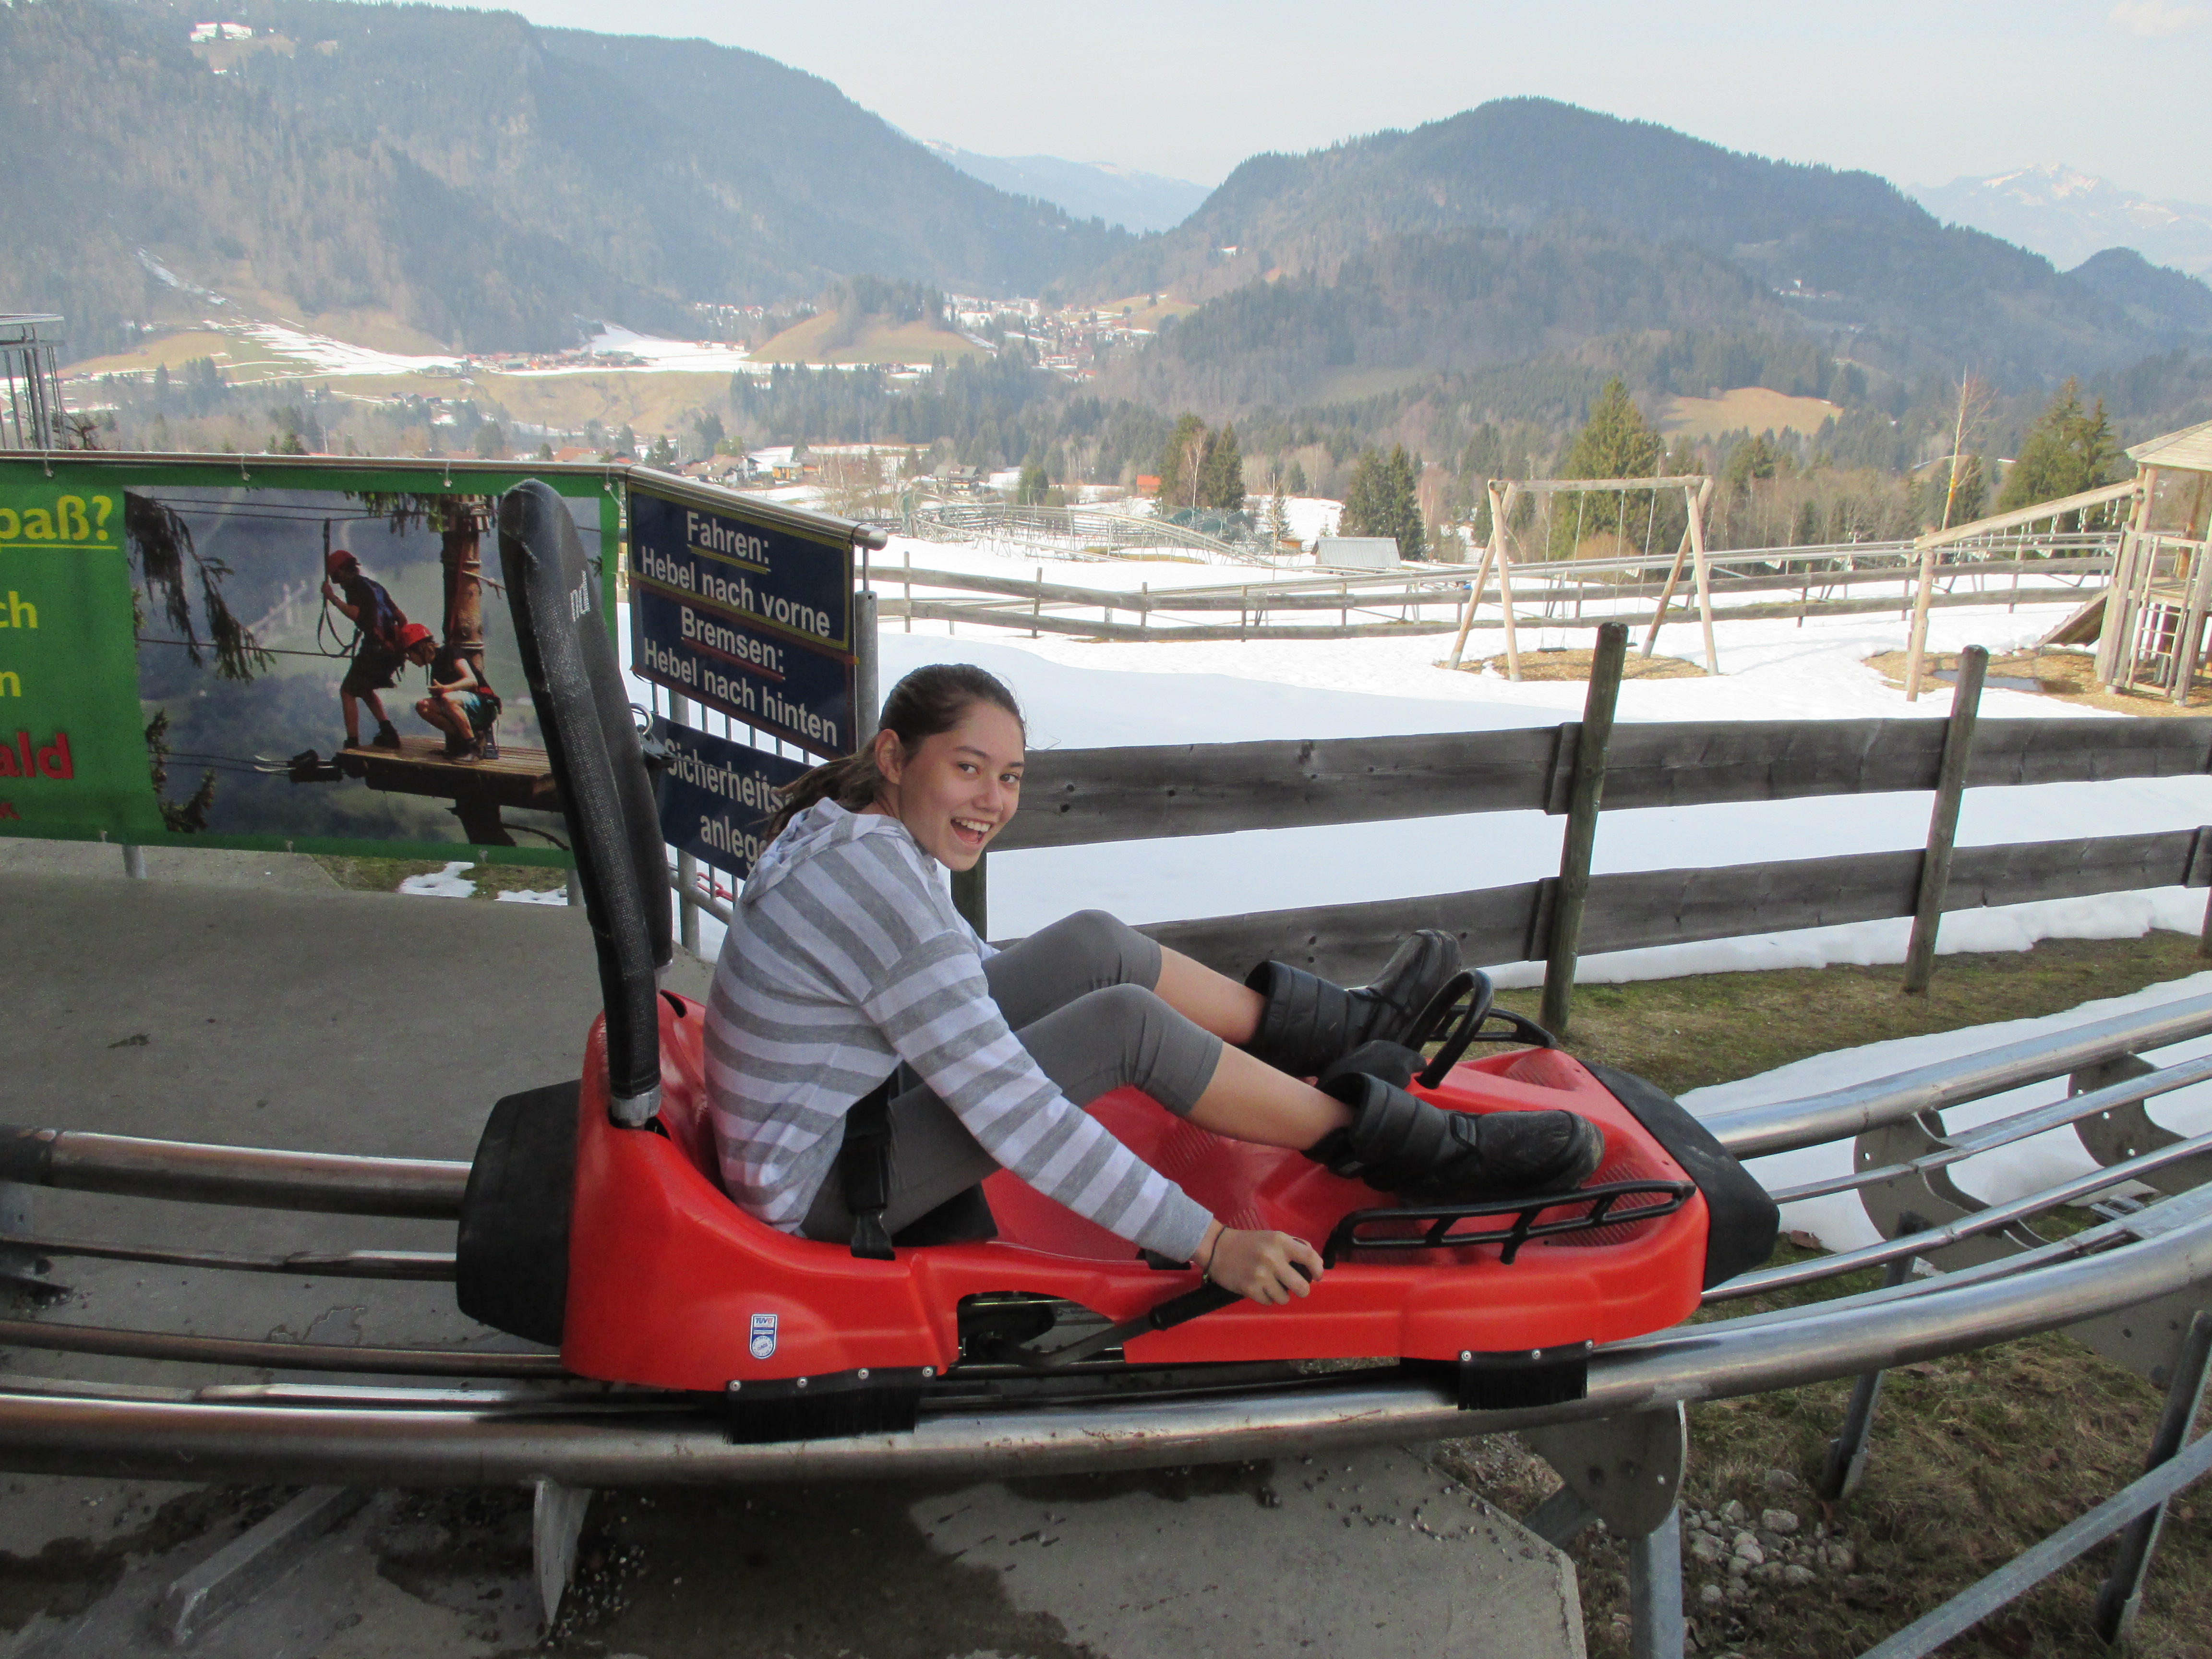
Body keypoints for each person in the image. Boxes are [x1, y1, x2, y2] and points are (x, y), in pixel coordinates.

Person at [703, 665, 1603, 1306]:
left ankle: (1343, 1033)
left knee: (1094, 943)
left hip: (846, 1114)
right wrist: (1209, 1244)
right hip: (822, 1187)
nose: (992, 801)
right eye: (967, 768)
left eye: (1009, 777)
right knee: (1123, 1027)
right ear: (896, 757)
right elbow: (1021, 1117)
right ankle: (1406, 1149)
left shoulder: (853, 832)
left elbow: (956, 973)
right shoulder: (881, 890)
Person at [324, 548, 410, 749]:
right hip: (392, 651)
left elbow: (355, 614)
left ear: (341, 572)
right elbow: (401, 618)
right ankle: (388, 732)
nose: (339, 584)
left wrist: (333, 599)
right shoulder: (374, 586)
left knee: (347, 691)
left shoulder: (354, 587)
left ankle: (353, 742)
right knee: (364, 688)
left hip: (376, 649)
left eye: (337, 578)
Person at [415, 637, 503, 762]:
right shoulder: (436, 663)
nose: (409, 659)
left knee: (448, 698)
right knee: (423, 706)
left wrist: (445, 689)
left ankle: (473, 749)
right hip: (464, 706)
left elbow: (472, 681)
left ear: (419, 650)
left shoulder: (451, 653)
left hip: (484, 706)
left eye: (409, 654)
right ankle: (459, 743)